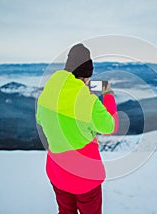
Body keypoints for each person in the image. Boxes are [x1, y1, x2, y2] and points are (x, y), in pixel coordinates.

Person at [36, 43, 118, 214]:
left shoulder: (49, 92)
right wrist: (108, 95)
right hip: (85, 177)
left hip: (57, 172)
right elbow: (110, 126)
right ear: (87, 76)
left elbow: (40, 119)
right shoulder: (88, 102)